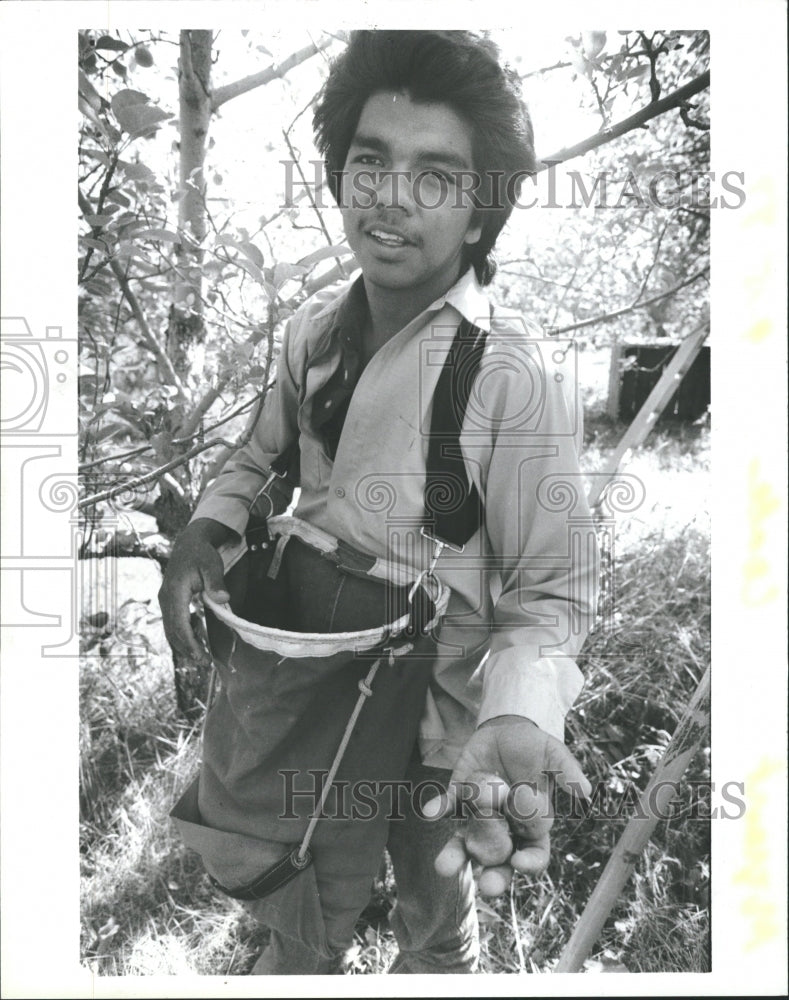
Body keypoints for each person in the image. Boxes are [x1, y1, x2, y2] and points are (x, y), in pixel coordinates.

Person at [159, 29, 599, 975]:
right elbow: (261, 452)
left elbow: (553, 594)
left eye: (435, 175)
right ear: (340, 176)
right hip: (314, 666)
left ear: (480, 216)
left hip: (441, 710)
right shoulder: (314, 332)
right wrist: (210, 523)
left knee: (435, 903)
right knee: (299, 863)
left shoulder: (510, 376)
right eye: (371, 161)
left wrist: (517, 713)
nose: (393, 196)